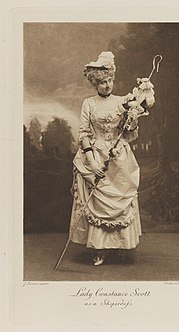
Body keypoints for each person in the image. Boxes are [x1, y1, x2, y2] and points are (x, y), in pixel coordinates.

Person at [69, 51, 142, 266]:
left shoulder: (123, 102)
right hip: (96, 154)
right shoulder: (88, 104)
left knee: (121, 200)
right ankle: (98, 249)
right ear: (95, 84)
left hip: (119, 157)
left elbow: (129, 133)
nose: (107, 85)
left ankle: (120, 248)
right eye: (102, 82)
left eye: (110, 80)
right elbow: (83, 133)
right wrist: (91, 162)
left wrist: (132, 118)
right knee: (98, 201)